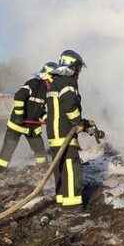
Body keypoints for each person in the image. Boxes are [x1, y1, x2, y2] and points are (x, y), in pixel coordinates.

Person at [45, 49, 95, 208]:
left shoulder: (55, 83)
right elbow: (70, 107)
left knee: (60, 169)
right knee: (72, 169)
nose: (79, 73)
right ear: (72, 67)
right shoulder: (67, 83)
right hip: (64, 133)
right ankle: (73, 206)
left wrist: (83, 124)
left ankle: (62, 200)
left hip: (54, 135)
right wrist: (79, 123)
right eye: (78, 68)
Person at [0, 61, 57, 176]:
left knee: (40, 150)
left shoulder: (47, 91)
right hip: (17, 124)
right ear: (48, 75)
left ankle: (42, 170)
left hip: (32, 127)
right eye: (55, 77)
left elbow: (40, 109)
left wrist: (47, 118)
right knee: (8, 149)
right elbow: (19, 96)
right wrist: (19, 115)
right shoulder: (34, 83)